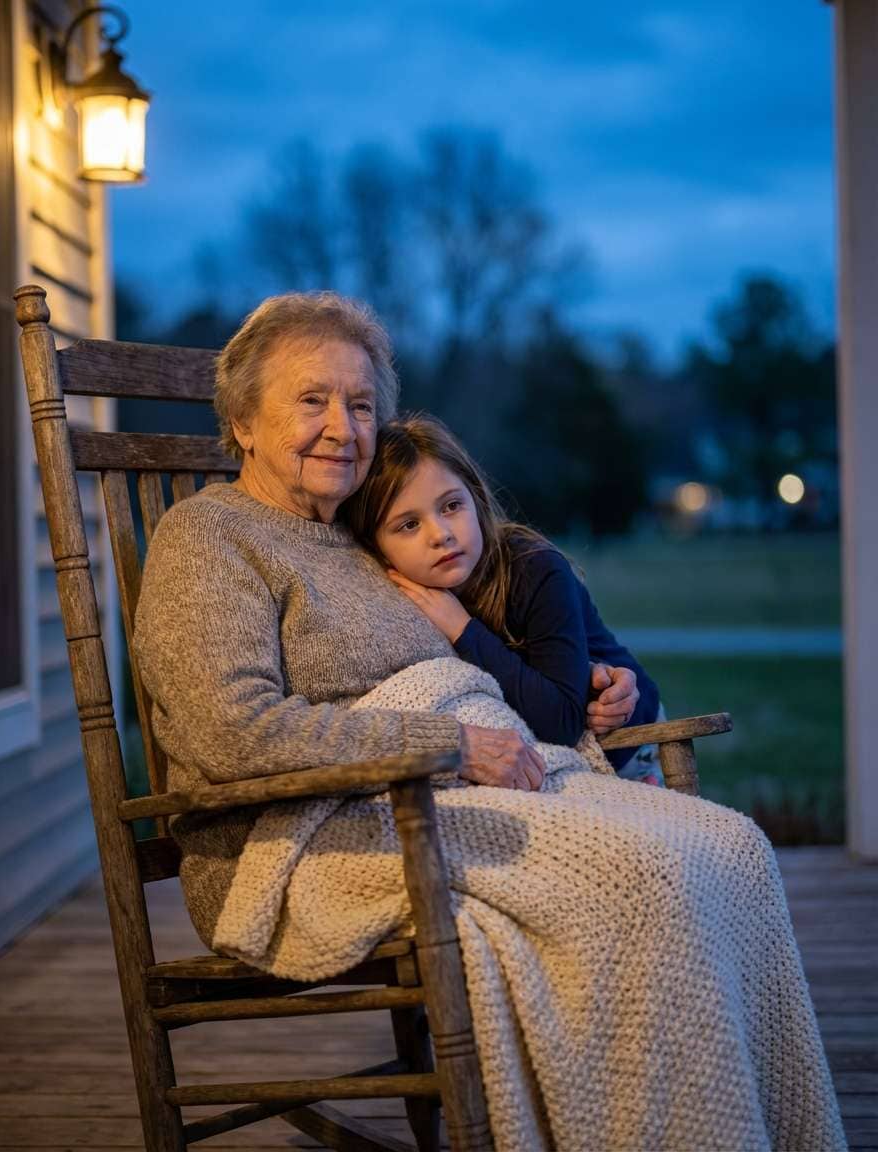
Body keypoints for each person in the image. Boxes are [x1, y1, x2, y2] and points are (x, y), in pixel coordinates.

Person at [133, 291, 846, 1151]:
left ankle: (752, 1129)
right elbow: (232, 732)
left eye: (361, 404)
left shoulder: (354, 537)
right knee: (635, 877)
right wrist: (451, 745)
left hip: (448, 792)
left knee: (732, 848)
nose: (342, 426)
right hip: (304, 840)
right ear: (243, 423)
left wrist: (607, 690)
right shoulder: (207, 537)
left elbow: (510, 655)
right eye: (311, 399)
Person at [343, 413, 662, 779]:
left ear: (476, 499)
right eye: (409, 524)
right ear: (377, 549)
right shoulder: (391, 593)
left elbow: (561, 723)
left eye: (451, 506)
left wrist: (462, 628)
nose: (441, 534)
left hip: (631, 747)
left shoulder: (535, 568)